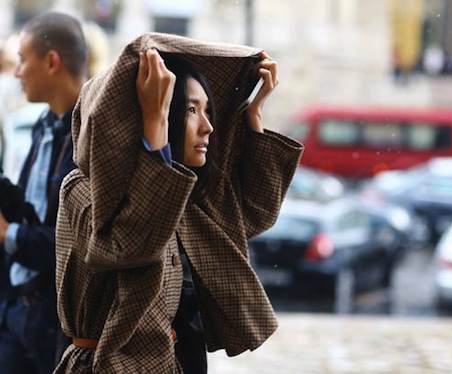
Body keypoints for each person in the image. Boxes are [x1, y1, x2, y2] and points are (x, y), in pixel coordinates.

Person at [54, 33, 303, 373]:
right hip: (106, 365)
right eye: (189, 109)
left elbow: (249, 217)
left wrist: (253, 115)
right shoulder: (81, 188)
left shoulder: (180, 194)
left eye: (208, 110)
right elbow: (130, 245)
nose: (208, 126)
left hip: (179, 358)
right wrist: (155, 128)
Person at [0, 12, 88, 374]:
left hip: (55, 327)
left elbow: (76, 247)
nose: (17, 71)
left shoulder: (91, 134)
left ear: (51, 62)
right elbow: (31, 210)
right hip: (17, 312)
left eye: (23, 59)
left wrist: (8, 233)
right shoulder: (43, 122)